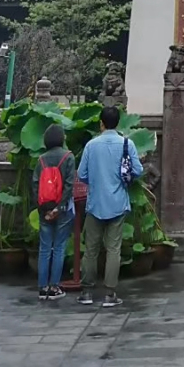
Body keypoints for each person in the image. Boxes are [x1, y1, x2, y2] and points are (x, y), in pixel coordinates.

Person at [76, 105, 143, 307]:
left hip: (95, 203)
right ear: (118, 123)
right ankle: (110, 294)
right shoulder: (126, 143)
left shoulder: (91, 145)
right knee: (114, 249)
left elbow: (82, 174)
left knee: (91, 249)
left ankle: (87, 292)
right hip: (117, 202)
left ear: (101, 123)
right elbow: (138, 170)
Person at [32, 123, 75, 301]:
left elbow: (35, 185)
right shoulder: (68, 157)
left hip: (44, 209)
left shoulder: (40, 159)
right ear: (62, 138)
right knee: (58, 247)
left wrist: (44, 208)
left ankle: (43, 288)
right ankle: (54, 287)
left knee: (44, 248)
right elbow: (69, 184)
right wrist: (60, 207)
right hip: (62, 209)